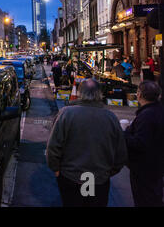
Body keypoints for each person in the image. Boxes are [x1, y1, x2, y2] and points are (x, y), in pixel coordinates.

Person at [46, 79, 128, 207]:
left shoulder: (67, 113)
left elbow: (53, 146)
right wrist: (109, 171)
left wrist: (55, 169)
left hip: (70, 176)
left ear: (79, 93)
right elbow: (121, 152)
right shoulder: (110, 117)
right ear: (100, 94)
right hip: (99, 179)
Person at [124, 81, 164, 207]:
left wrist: (125, 133)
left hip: (144, 167)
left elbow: (139, 143)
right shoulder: (157, 111)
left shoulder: (146, 115)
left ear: (139, 95)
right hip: (156, 165)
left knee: (145, 199)